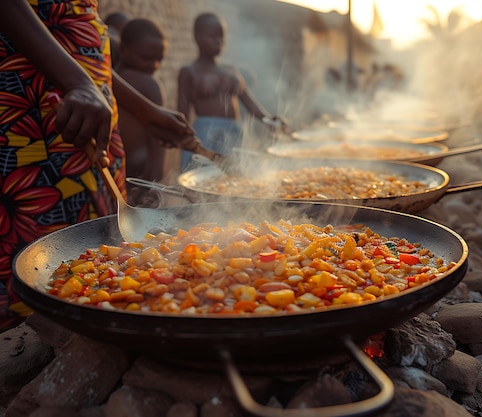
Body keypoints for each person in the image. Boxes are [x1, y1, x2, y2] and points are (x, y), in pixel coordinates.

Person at [0, 0, 197, 331]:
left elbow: (82, 45)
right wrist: (76, 82)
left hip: (93, 113)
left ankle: (101, 310)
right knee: (31, 272)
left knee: (103, 246)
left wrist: (145, 111)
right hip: (30, 110)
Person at [177, 12, 287, 171]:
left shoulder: (230, 71)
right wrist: (187, 140)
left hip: (234, 134)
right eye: (213, 36)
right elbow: (182, 113)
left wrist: (268, 119)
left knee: (235, 179)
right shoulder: (189, 71)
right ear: (197, 36)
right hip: (205, 136)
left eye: (222, 37)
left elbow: (249, 103)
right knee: (204, 177)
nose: (219, 42)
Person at [115, 18, 169, 205]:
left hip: (109, 176)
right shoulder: (150, 86)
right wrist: (154, 186)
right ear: (123, 49)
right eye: (146, 58)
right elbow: (157, 147)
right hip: (139, 179)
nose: (153, 65)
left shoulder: (103, 80)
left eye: (159, 60)